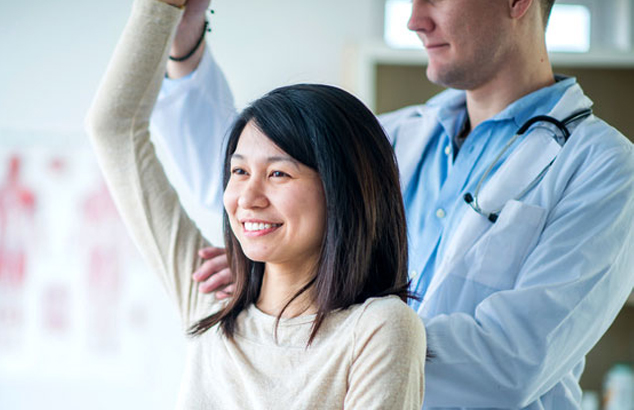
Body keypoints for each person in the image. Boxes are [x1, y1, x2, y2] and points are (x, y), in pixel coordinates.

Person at [150, 0, 634, 408]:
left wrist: (305, 320)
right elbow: (247, 189)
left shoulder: (604, 167)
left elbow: (513, 360)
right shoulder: (393, 136)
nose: (413, 19)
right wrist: (184, 42)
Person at [85, 0, 426, 408]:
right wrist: (164, 9)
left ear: (342, 191)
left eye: (279, 174)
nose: (247, 198)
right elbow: (114, 130)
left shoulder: (378, 328)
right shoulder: (213, 300)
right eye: (239, 172)